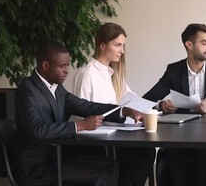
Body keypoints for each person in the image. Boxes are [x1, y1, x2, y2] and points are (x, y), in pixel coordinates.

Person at [14, 41, 142, 186]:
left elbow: (86, 106)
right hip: (36, 166)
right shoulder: (28, 90)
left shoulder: (56, 88)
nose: (67, 70)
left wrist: (122, 111)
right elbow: (37, 130)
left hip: (57, 156)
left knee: (110, 165)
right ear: (45, 66)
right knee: (102, 173)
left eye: (68, 65)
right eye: (62, 66)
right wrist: (79, 126)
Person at [143, 23, 206, 186]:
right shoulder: (174, 70)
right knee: (173, 156)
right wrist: (161, 105)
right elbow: (147, 99)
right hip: (180, 133)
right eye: (204, 43)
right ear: (189, 45)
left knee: (204, 155)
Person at [72, 22, 156, 186]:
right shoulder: (87, 74)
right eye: (117, 45)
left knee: (146, 151)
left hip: (112, 136)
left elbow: (133, 99)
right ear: (103, 46)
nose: (122, 51)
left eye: (123, 45)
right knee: (141, 156)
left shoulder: (113, 74)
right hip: (95, 143)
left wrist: (151, 109)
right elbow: (82, 112)